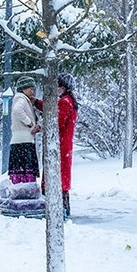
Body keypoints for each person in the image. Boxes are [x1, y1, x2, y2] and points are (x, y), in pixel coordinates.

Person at [48, 73, 78, 219]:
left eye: (58, 86)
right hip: (66, 145)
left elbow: (57, 122)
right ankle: (64, 208)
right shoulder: (70, 101)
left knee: (57, 178)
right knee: (62, 179)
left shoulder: (64, 102)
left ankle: (61, 210)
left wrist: (43, 125)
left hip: (61, 145)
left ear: (63, 87)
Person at [7, 81, 40, 184]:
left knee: (20, 171)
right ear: (23, 89)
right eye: (30, 88)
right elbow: (17, 110)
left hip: (21, 140)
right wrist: (30, 123)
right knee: (26, 171)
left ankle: (20, 188)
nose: (32, 91)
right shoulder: (21, 98)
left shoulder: (23, 99)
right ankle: (25, 188)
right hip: (23, 141)